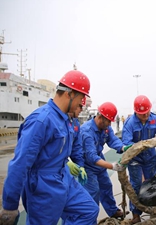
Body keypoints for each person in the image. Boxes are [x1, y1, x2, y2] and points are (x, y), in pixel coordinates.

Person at [0, 70, 99, 224]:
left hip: (63, 176)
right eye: (80, 99)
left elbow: (73, 148)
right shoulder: (41, 121)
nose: (81, 104)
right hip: (43, 186)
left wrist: (79, 166)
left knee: (88, 210)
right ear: (70, 94)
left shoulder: (66, 120)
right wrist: (10, 205)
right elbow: (20, 164)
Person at [122, 95, 156, 224]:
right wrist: (136, 146)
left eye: (147, 112)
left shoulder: (155, 119)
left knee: (153, 183)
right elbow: (127, 142)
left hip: (150, 157)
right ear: (136, 112)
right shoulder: (129, 123)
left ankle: (153, 210)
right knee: (135, 185)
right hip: (135, 158)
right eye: (142, 114)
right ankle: (136, 214)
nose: (146, 116)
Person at [80, 102, 132, 219]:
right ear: (100, 117)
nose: (109, 124)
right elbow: (91, 157)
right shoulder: (87, 132)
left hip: (99, 163)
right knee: (93, 192)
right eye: (108, 121)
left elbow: (113, 140)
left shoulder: (106, 128)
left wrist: (122, 147)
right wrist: (112, 166)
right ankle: (90, 218)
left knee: (106, 186)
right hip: (87, 166)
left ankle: (112, 211)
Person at [67, 96, 88, 185]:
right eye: (80, 106)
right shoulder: (57, 120)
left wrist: (81, 166)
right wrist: (65, 163)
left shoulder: (75, 123)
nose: (81, 110)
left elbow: (77, 148)